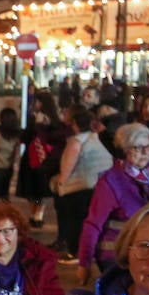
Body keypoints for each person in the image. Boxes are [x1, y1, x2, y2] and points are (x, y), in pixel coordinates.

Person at [77, 122, 149, 284]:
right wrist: (84, 263)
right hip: (118, 254)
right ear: (124, 150)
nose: (144, 152)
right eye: (137, 148)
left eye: (148, 147)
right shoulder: (111, 181)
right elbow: (93, 224)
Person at [52, 106, 114, 264]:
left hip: (78, 188)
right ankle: (91, 251)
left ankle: (76, 253)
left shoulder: (77, 141)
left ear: (75, 124)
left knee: (75, 222)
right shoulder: (100, 139)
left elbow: (67, 168)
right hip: (99, 187)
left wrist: (60, 183)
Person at [18, 93, 71, 228]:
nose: (35, 104)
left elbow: (27, 137)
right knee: (39, 188)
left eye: (37, 101)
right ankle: (37, 214)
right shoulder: (56, 120)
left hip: (34, 158)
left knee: (33, 188)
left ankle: (36, 213)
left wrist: (36, 126)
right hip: (46, 158)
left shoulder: (38, 119)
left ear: (42, 103)